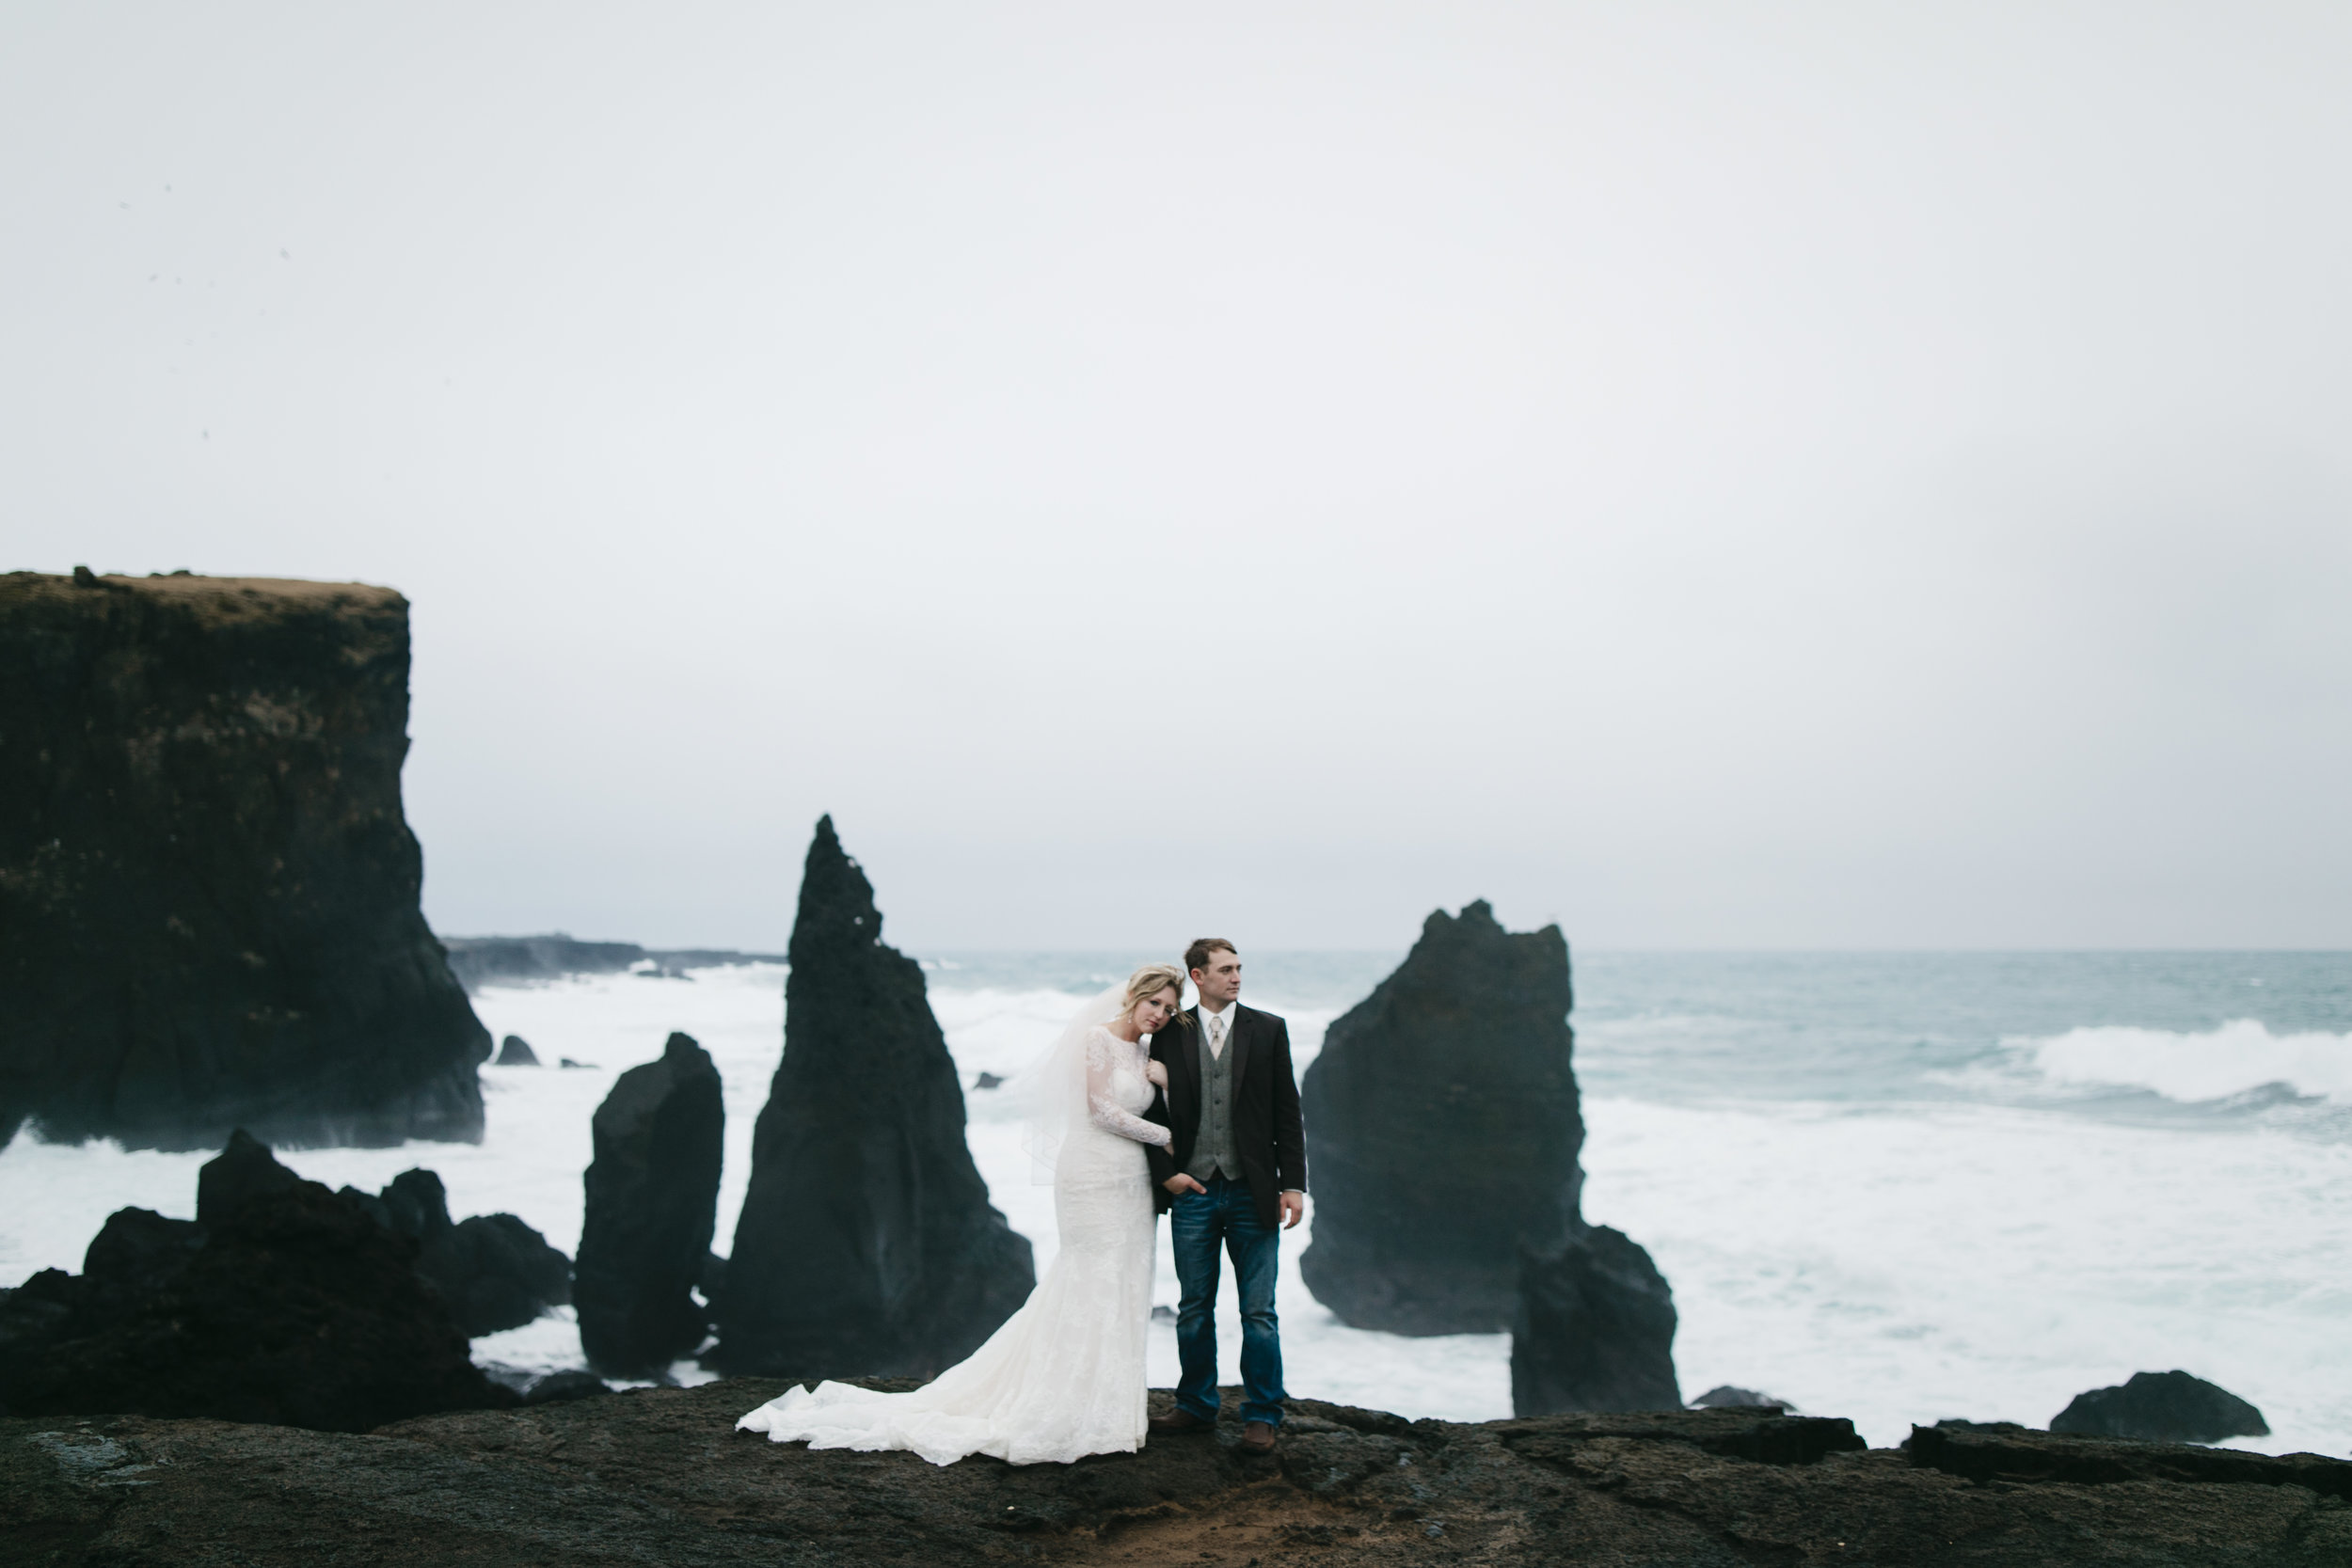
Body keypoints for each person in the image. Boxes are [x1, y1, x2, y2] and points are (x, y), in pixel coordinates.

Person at [736, 963, 1183, 1465]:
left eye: (1169, 1008)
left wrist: (1165, 1085)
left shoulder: (1146, 1054)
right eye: (1155, 1004)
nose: (1161, 1015)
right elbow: (1102, 1111)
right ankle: (1063, 1406)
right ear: (1134, 998)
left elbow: (1152, 1109)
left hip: (1131, 1182)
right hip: (1090, 1173)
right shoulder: (1097, 1039)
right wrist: (1166, 1137)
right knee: (1088, 1279)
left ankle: (1109, 1411)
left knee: (1124, 1280)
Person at [1143, 938, 1307, 1455]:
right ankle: (1196, 1405)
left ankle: (1262, 1414)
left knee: (1259, 1312)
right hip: (1192, 1192)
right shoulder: (1172, 1032)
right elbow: (1152, 1113)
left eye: (1239, 969)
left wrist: (1294, 1184)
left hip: (1252, 1192)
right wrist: (1166, 1175)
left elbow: (1287, 1111)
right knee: (1194, 1307)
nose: (1236, 977)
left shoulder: (1269, 1029)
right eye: (1225, 969)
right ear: (1198, 976)